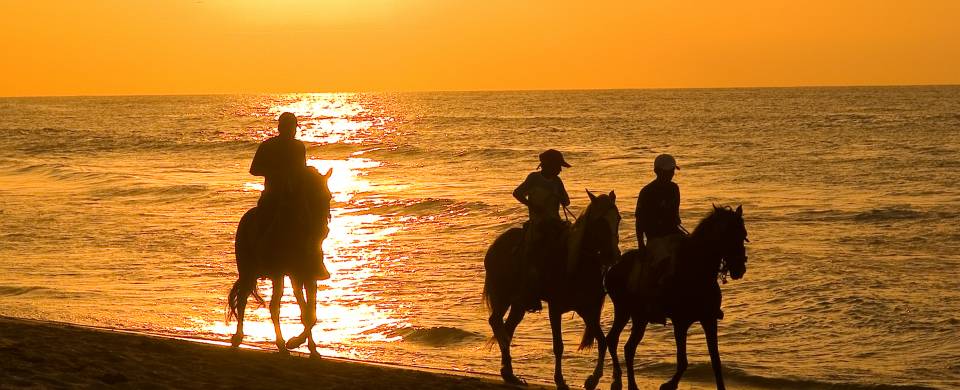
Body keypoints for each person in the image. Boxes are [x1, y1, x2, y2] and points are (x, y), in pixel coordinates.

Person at [513, 149, 571, 312]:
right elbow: (517, 193)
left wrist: (560, 197)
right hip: (537, 223)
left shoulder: (557, 181)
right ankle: (530, 290)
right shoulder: (533, 178)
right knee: (534, 251)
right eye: (558, 166)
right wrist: (531, 205)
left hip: (555, 223)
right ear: (548, 165)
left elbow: (566, 202)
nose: (560, 170)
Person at [632, 153, 684, 323]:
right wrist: (641, 245)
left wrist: (675, 221)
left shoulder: (674, 189)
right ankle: (655, 302)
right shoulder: (647, 192)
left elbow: (675, 215)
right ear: (658, 171)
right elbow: (639, 221)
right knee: (663, 262)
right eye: (668, 172)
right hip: (655, 238)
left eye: (671, 172)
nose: (671, 174)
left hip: (673, 233)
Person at [250, 112, 307, 212]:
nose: (293, 131)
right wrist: (275, 172)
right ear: (281, 128)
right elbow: (254, 169)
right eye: (290, 128)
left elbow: (302, 170)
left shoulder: (299, 146)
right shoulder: (267, 145)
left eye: (293, 128)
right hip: (272, 196)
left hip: (296, 196)